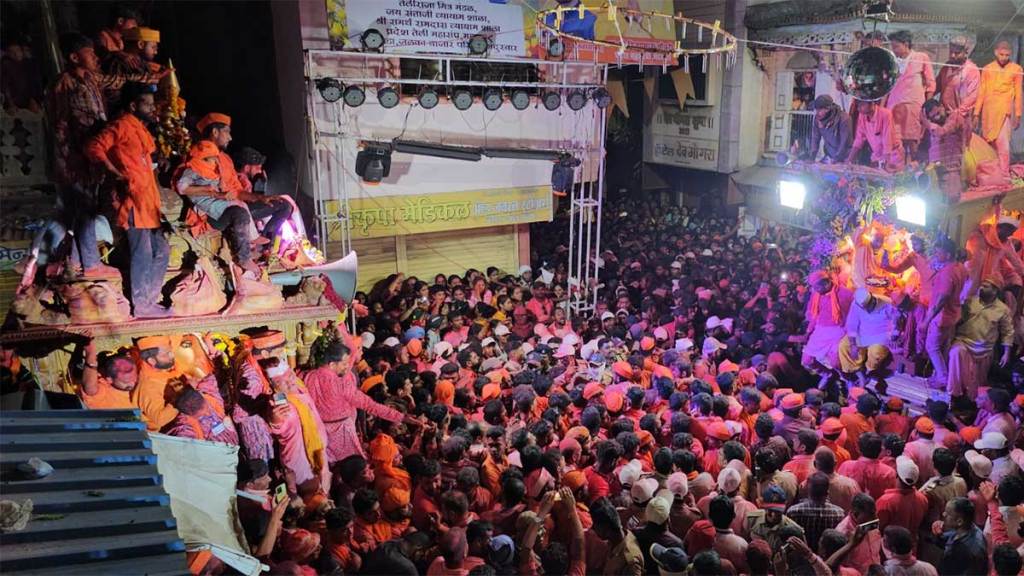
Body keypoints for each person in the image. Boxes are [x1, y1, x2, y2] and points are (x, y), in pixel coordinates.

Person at [47, 33, 163, 280]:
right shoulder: (63, 84)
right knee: (82, 208)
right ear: (74, 57)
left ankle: (79, 261)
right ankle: (87, 263)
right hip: (75, 158)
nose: (96, 58)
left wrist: (149, 77)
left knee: (82, 210)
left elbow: (116, 80)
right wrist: (82, 154)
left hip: (91, 156)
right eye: (90, 53)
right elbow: (65, 127)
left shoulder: (91, 78)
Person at [85, 82, 170, 318]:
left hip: (148, 200)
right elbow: (94, 147)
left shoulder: (140, 127)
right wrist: (113, 170)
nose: (152, 108)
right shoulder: (121, 125)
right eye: (147, 104)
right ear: (133, 105)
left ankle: (149, 302)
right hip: (132, 199)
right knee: (142, 252)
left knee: (162, 250)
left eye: (153, 104)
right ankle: (142, 305)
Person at [302, 338, 421, 464]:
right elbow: (370, 406)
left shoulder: (309, 377)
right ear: (332, 364)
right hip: (342, 435)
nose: (348, 367)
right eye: (344, 363)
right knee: (352, 468)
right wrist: (401, 417)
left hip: (319, 432)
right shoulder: (340, 384)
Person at [948, 276, 1014, 401]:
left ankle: (971, 401)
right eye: (982, 285)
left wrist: (1006, 353)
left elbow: (1008, 332)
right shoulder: (970, 301)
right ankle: (954, 394)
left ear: (995, 291)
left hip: (984, 349)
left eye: (986, 286)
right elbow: (956, 317)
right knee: (956, 352)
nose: (982, 288)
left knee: (976, 382)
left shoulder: (1003, 310)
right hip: (963, 341)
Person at [919, 237, 967, 388]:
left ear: (948, 254)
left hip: (942, 317)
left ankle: (942, 379)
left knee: (932, 347)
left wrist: (927, 321)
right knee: (943, 347)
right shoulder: (960, 267)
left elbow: (942, 299)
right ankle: (940, 376)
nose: (936, 254)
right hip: (953, 314)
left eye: (939, 253)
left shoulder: (947, 272)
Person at [974, 40, 1023, 176]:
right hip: (988, 113)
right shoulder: (987, 69)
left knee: (1003, 146)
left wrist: (1018, 115)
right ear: (996, 52)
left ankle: (1003, 175)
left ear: (1011, 54)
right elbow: (982, 92)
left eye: (1007, 55)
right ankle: (991, 174)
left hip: (1004, 113)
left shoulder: (1016, 69)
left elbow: (1018, 93)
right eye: (1001, 54)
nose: (1004, 58)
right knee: (988, 145)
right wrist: (976, 113)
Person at [884, 31, 935, 158]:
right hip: (894, 107)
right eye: (892, 47)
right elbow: (886, 84)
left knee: (913, 140)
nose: (893, 50)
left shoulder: (921, 57)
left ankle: (914, 171)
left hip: (914, 106)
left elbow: (930, 83)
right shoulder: (891, 61)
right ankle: (899, 172)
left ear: (906, 44)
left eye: (896, 46)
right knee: (896, 141)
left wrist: (927, 107)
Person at [838, 288, 897, 389]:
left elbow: (896, 321)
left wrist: (894, 335)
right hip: (862, 333)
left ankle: (869, 371)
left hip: (881, 335)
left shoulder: (887, 302)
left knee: (876, 353)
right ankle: (859, 374)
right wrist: (853, 344)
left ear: (872, 300)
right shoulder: (855, 304)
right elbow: (852, 323)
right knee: (844, 346)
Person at [801, 271, 853, 385]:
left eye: (817, 286)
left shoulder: (845, 293)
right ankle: (827, 374)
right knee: (806, 360)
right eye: (814, 287)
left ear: (826, 282)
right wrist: (808, 331)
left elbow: (856, 313)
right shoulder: (815, 296)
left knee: (835, 363)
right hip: (820, 331)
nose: (815, 289)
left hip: (839, 331)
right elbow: (813, 316)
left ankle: (848, 379)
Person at [103, 26, 163, 111]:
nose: (156, 52)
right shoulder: (119, 62)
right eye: (153, 47)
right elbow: (113, 95)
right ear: (140, 44)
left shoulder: (144, 64)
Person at [936, 36, 980, 146]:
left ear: (965, 53)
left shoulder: (972, 70)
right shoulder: (946, 67)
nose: (952, 56)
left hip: (961, 120)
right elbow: (936, 87)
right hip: (943, 118)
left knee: (957, 156)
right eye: (951, 52)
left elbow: (972, 97)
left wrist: (957, 114)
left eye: (956, 53)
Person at [846, 100, 905, 172]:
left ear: (872, 103)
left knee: (892, 179)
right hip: (878, 155)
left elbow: (887, 140)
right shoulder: (862, 115)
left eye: (862, 105)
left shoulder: (886, 114)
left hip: (892, 155)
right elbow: (859, 139)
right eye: (858, 106)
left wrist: (886, 163)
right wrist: (849, 160)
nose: (859, 108)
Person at [935, 497, 989, 576]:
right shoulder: (966, 528)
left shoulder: (970, 550)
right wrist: (939, 536)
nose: (944, 514)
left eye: (948, 513)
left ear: (959, 521)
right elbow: (949, 541)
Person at [803, 95, 852, 163]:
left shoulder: (844, 119)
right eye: (816, 109)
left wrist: (836, 159)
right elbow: (815, 138)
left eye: (820, 109)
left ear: (828, 109)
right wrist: (812, 156)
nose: (817, 112)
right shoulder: (817, 119)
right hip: (829, 155)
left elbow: (844, 143)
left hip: (845, 157)